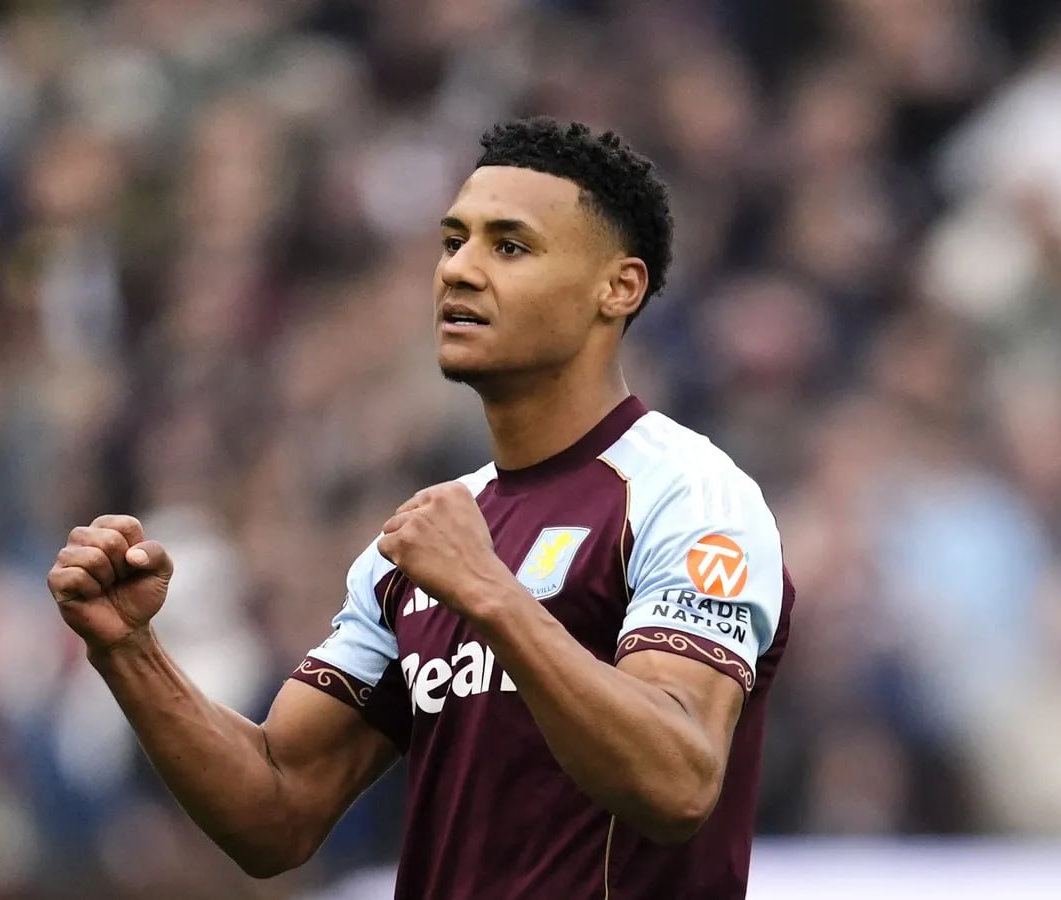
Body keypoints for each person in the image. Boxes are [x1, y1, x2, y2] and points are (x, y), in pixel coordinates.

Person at [47, 117, 796, 899]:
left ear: (619, 287)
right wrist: (128, 649)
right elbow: (278, 809)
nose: (460, 270)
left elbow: (679, 782)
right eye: (453, 242)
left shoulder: (688, 496)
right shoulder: (421, 541)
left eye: (510, 247)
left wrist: (490, 592)